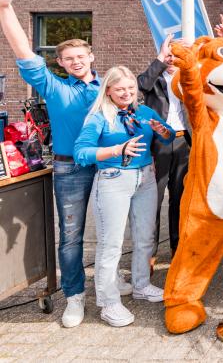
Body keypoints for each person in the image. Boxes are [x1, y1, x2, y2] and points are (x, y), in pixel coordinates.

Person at [0, 0, 106, 328]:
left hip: (111, 168)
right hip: (70, 169)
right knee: (72, 236)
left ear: (92, 56)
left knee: (112, 231)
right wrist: (5, 9)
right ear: (60, 63)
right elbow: (24, 53)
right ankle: (74, 296)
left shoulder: (110, 87)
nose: (76, 61)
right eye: (68, 58)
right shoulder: (56, 88)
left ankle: (109, 285)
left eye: (81, 55)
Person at [73, 66, 175, 327]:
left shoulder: (144, 112)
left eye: (130, 89)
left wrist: (163, 131)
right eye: (120, 89)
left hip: (146, 178)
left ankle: (141, 285)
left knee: (145, 237)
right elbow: (81, 153)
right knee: (111, 244)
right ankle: (108, 303)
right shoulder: (99, 116)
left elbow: (169, 135)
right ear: (108, 90)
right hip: (113, 181)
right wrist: (117, 149)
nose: (127, 93)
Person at [137, 35, 191, 266]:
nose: (172, 58)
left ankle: (177, 247)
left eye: (175, 54)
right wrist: (159, 59)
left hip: (183, 142)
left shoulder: (188, 79)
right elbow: (142, 84)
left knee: (179, 198)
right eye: (169, 54)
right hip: (159, 142)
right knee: (154, 198)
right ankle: (149, 251)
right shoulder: (154, 78)